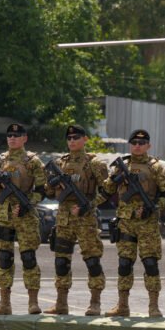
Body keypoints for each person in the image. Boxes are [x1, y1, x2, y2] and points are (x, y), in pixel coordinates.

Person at [99, 129, 165, 318]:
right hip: (126, 222)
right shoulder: (121, 166)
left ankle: (154, 306)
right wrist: (115, 178)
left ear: (148, 145)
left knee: (150, 264)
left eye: (142, 143)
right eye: (134, 143)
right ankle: (122, 305)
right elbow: (107, 190)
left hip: (147, 222)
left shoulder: (157, 167)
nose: (137, 146)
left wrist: (154, 207)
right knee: (124, 264)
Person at [43, 125, 111, 316]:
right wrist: (52, 183)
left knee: (92, 261)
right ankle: (61, 303)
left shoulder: (95, 163)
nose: (72, 141)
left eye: (76, 137)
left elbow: (108, 191)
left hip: (85, 219)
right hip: (63, 218)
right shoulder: (60, 163)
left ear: (85, 139)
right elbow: (49, 193)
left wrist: (89, 205)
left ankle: (95, 303)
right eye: (69, 138)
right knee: (61, 261)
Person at [0, 123, 46, 315]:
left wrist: (28, 203)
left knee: (28, 258)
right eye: (9, 135)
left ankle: (33, 302)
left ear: (25, 138)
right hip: (3, 215)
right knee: (4, 259)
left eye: (16, 135)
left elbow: (42, 190)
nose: (12, 138)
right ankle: (4, 304)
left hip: (25, 215)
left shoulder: (33, 161)